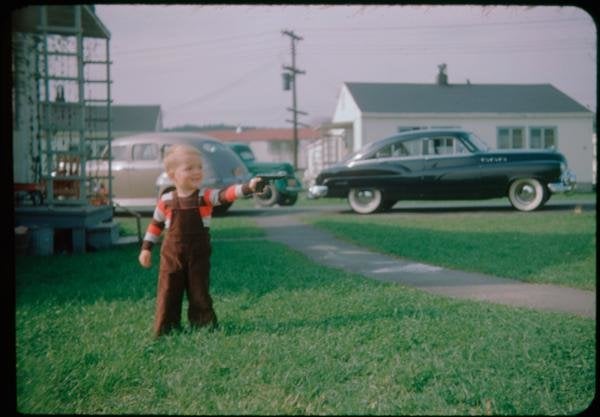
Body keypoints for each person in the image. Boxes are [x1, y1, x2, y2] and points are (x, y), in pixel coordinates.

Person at [138, 144, 261, 337]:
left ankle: (204, 327)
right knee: (168, 291)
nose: (197, 172)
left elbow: (225, 194)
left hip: (198, 256)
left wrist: (248, 187)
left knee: (199, 291)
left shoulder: (205, 196)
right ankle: (167, 328)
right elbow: (155, 225)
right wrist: (146, 248)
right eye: (189, 168)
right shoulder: (167, 200)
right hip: (171, 256)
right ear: (172, 176)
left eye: (199, 167)